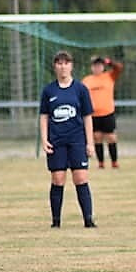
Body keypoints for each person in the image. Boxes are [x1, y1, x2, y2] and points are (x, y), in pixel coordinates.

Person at [39, 50, 97, 228]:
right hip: (57, 141)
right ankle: (56, 222)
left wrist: (90, 143)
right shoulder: (49, 90)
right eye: (59, 63)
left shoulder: (80, 89)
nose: (62, 66)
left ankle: (88, 220)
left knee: (80, 178)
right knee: (58, 179)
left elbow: (87, 116)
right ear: (55, 67)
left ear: (71, 66)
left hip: (77, 140)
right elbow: (44, 115)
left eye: (66, 63)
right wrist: (44, 139)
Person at [82, 55, 125, 169]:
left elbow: (119, 68)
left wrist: (109, 61)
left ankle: (114, 162)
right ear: (92, 67)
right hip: (93, 114)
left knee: (111, 137)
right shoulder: (87, 80)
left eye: (99, 65)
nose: (97, 67)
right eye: (95, 65)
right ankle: (101, 163)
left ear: (103, 66)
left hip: (107, 113)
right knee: (97, 137)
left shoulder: (109, 76)